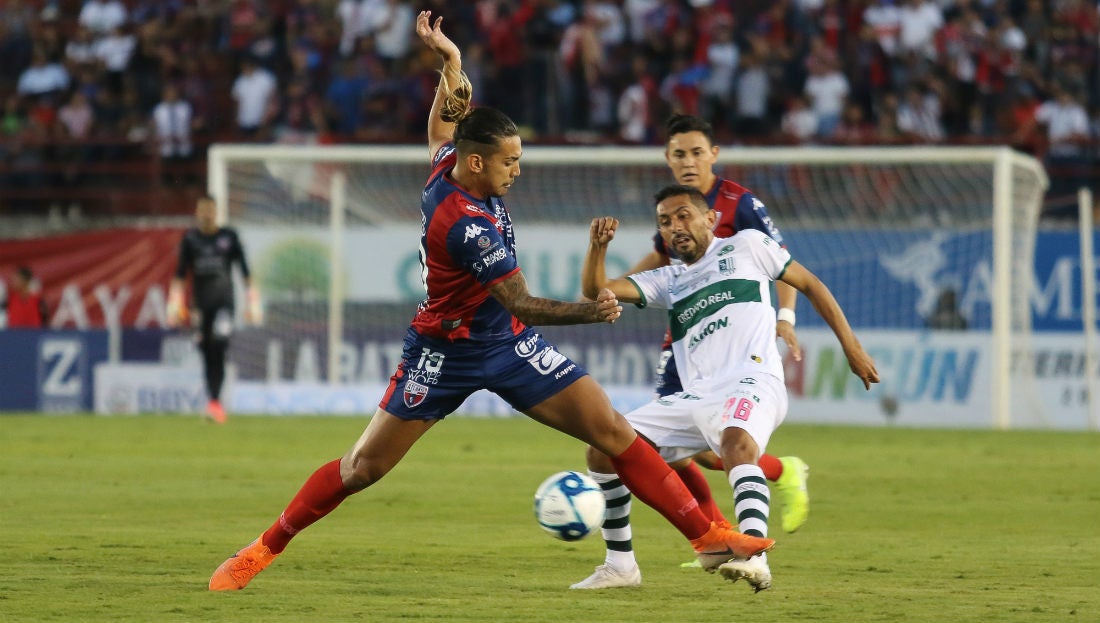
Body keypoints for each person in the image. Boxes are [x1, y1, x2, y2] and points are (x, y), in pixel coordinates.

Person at [207, 11, 774, 593]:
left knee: (612, 430)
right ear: (477, 163)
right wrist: (591, 310)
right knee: (362, 468)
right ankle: (261, 549)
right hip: (445, 352)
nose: (517, 171)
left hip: (506, 343)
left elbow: (440, 131)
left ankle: (706, 536)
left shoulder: (448, 166)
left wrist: (450, 64)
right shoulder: (464, 223)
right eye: (510, 161)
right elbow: (523, 302)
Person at [578, 185, 879, 592]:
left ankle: (755, 555)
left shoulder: (749, 245)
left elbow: (811, 284)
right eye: (665, 222)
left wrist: (852, 347)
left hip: (752, 379)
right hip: (696, 395)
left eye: (683, 215)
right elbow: (598, 290)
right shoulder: (669, 279)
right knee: (602, 448)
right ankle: (621, 565)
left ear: (710, 219)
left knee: (737, 445)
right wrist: (597, 247)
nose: (674, 227)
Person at [570, 114, 811, 590]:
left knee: (719, 446)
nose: (687, 161)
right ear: (667, 159)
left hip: (738, 348)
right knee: (668, 450)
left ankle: (739, 525)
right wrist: (607, 268)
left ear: (713, 156)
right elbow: (659, 266)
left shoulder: (741, 209)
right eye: (678, 153)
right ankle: (706, 538)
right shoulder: (673, 216)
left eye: (696, 152)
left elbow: (788, 268)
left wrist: (785, 319)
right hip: (690, 330)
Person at [168, 195, 256, 424]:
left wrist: (252, 302)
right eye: (202, 210)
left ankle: (215, 403)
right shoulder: (190, 239)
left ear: (216, 212)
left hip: (224, 304)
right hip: (200, 307)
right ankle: (214, 403)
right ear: (197, 213)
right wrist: (174, 305)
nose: (207, 214)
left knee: (218, 344)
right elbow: (179, 275)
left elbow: (245, 271)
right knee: (207, 353)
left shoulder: (229, 236)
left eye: (210, 210)